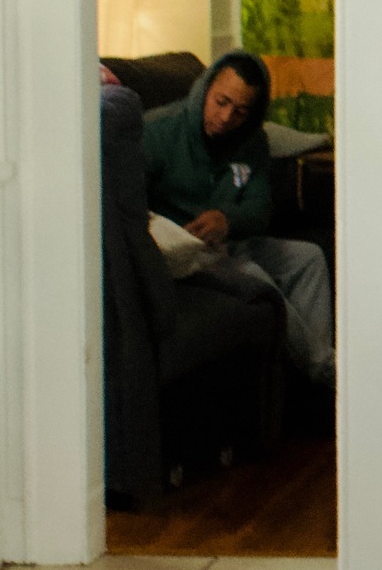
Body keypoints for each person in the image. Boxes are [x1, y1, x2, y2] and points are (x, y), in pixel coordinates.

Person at [141, 51, 334, 390]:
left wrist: (227, 219)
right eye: (221, 102)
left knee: (310, 258)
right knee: (255, 278)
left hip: (231, 243)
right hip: (184, 256)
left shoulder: (252, 142)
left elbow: (260, 208)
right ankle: (325, 369)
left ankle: (308, 381)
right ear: (205, 88)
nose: (226, 116)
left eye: (240, 110)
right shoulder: (158, 132)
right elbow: (128, 204)